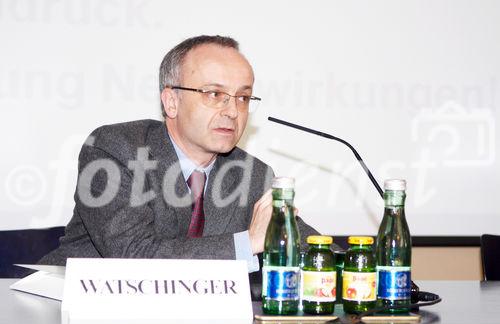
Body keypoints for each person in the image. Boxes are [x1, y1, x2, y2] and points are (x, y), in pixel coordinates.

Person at [39, 35, 331, 298]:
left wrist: (359, 260)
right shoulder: (115, 148)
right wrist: (249, 242)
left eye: (243, 98)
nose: (232, 111)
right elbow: (132, 256)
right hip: (70, 307)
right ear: (171, 102)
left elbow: (309, 246)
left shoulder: (253, 173)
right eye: (215, 94)